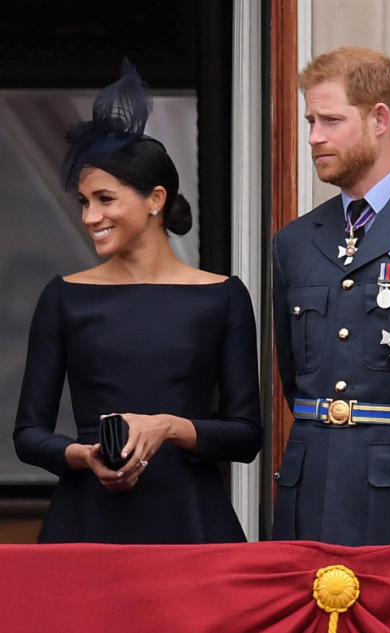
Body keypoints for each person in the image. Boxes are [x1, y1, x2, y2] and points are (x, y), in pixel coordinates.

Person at [13, 61, 262, 543]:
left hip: (190, 523)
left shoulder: (222, 296)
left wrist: (169, 427)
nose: (90, 216)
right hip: (86, 524)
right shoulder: (64, 296)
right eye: (84, 202)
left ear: (155, 199)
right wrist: (84, 455)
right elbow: (29, 434)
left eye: (105, 199)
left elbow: (246, 435)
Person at [272, 47, 390, 545]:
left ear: (380, 119)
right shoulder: (295, 241)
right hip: (309, 490)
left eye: (330, 120)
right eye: (310, 120)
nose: (313, 137)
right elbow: (295, 377)